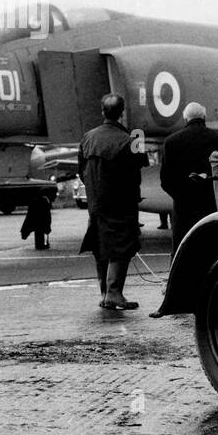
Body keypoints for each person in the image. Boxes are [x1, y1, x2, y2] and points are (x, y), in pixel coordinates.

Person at [78, 94, 148, 310]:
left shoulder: (88, 137)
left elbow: (81, 171)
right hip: (121, 203)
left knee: (100, 247)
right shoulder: (132, 140)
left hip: (96, 203)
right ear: (122, 112)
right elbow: (137, 173)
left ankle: (105, 293)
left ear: (102, 112)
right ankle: (114, 293)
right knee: (121, 247)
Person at [159, 101, 218, 255]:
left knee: (181, 252)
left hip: (183, 209)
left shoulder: (171, 142)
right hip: (211, 207)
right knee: (212, 250)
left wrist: (182, 197)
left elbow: (165, 180)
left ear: (186, 118)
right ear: (204, 117)